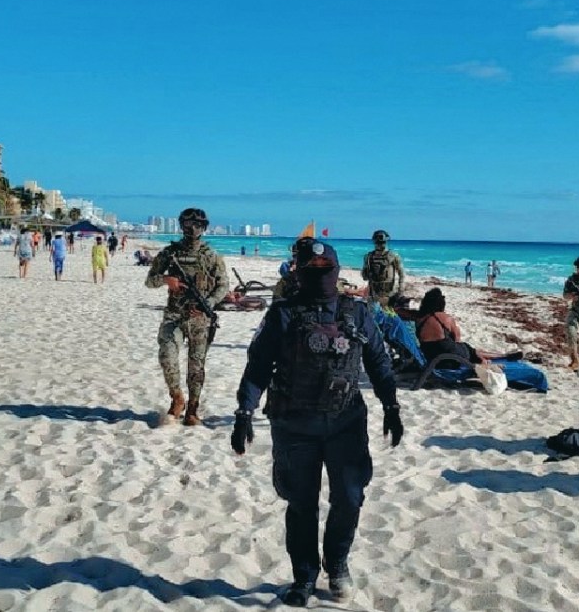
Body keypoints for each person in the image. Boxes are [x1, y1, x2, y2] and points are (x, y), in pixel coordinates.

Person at [232, 239, 404, 607]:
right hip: (295, 424)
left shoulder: (357, 313)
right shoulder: (283, 314)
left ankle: (337, 563)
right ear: (299, 272)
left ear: (337, 271)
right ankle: (304, 576)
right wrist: (244, 412)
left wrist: (391, 406)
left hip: (346, 422)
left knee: (350, 497)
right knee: (300, 503)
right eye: (311, 270)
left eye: (325, 270)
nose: (319, 276)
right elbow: (258, 366)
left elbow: (378, 361)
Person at [145, 208, 230, 425]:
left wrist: (208, 304)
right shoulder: (169, 253)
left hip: (200, 319)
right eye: (188, 224)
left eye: (197, 224)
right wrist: (166, 280)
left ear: (204, 227)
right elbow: (150, 280)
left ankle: (192, 408)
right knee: (167, 356)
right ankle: (177, 398)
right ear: (181, 225)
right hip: (174, 315)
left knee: (196, 365)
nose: (192, 228)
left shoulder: (211, 256)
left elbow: (223, 286)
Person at [415, 287, 520, 364]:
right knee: (469, 349)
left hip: (429, 355)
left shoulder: (419, 319)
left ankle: (503, 355)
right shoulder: (445, 318)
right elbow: (457, 338)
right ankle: (502, 356)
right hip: (449, 357)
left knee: (470, 349)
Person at [361, 229, 405, 307]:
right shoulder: (369, 257)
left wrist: (400, 290)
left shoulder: (393, 256)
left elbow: (402, 274)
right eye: (378, 242)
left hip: (389, 295)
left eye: (381, 242)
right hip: (374, 295)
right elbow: (365, 276)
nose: (380, 245)